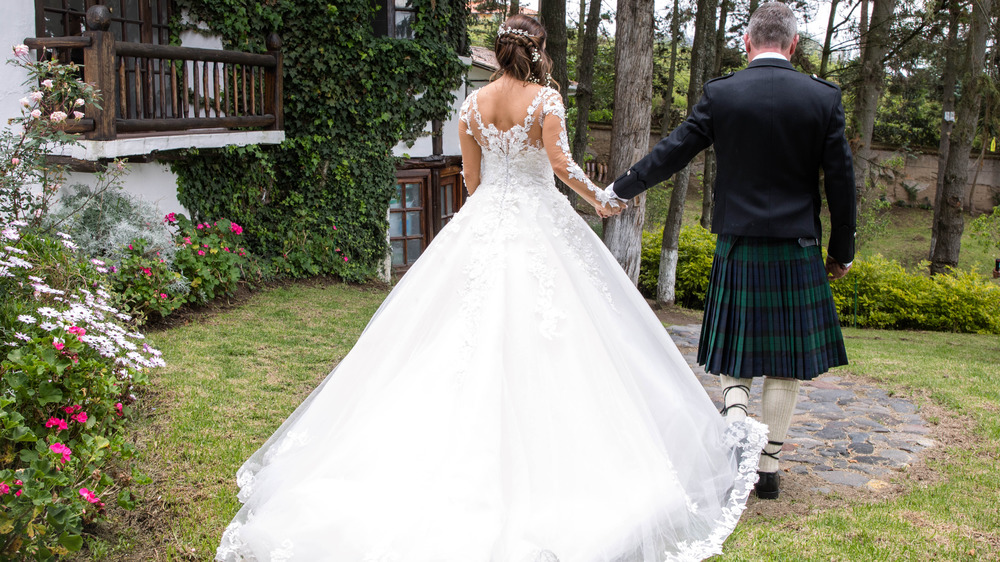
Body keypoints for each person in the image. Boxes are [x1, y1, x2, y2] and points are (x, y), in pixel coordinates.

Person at [216, 14, 766, 562]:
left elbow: (473, 180)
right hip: (539, 222)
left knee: (452, 335)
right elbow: (560, 164)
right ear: (540, 49)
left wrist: (495, 197)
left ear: (500, 51)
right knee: (567, 335)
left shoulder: (471, 105)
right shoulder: (546, 101)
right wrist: (599, 197)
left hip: (482, 226)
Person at [604, 2, 856, 501]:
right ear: (793, 44)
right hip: (798, 247)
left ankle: (736, 417)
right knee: (786, 362)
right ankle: (769, 466)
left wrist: (622, 188)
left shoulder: (723, 94)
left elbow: (674, 150)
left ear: (747, 42)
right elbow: (842, 182)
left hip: (738, 244)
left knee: (735, 349)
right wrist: (842, 250)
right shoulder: (822, 98)